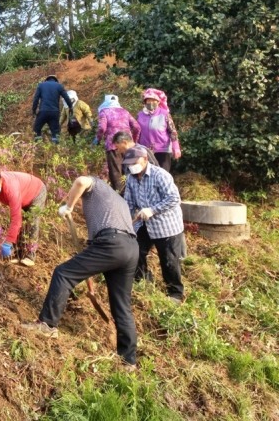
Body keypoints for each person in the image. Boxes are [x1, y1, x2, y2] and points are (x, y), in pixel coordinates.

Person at [22, 175, 139, 368]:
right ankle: (128, 361)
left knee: (63, 273)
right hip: (130, 248)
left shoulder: (96, 185)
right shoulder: (118, 200)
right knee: (122, 305)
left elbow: (81, 181)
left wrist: (69, 206)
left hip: (111, 244)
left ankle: (47, 325)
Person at [121, 147, 186, 303]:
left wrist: (153, 210)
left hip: (166, 225)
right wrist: (125, 221)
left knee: (169, 260)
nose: (132, 167)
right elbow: (129, 202)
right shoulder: (131, 178)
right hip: (144, 224)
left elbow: (174, 199)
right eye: (129, 164)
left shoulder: (160, 175)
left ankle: (175, 292)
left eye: (135, 162)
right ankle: (143, 281)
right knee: (136, 251)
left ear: (145, 159)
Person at [0, 166, 47, 266]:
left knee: (31, 222)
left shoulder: (11, 190)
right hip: (23, 194)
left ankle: (30, 255)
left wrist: (8, 242)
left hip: (36, 192)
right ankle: (17, 254)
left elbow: (16, 219)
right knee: (19, 226)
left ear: (0, 180)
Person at [95, 95, 141, 192]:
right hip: (127, 145)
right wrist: (134, 141)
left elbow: (102, 128)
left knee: (116, 173)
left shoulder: (104, 112)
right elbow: (137, 127)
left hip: (113, 146)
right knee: (130, 170)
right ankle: (133, 194)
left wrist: (98, 139)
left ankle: (120, 197)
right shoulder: (125, 111)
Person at [136, 88, 182, 173]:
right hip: (145, 150)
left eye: (153, 101)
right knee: (148, 174)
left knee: (163, 174)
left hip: (162, 150)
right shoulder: (140, 115)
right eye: (148, 101)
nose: (151, 103)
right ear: (145, 102)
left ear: (158, 102)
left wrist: (176, 147)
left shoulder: (164, 114)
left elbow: (173, 131)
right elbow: (137, 132)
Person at [32, 75, 73, 143]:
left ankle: (38, 146)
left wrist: (34, 110)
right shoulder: (59, 86)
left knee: (37, 129)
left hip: (43, 112)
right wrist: (70, 107)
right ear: (55, 80)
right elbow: (66, 97)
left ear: (46, 80)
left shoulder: (41, 85)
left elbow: (36, 99)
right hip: (54, 112)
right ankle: (55, 148)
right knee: (55, 132)